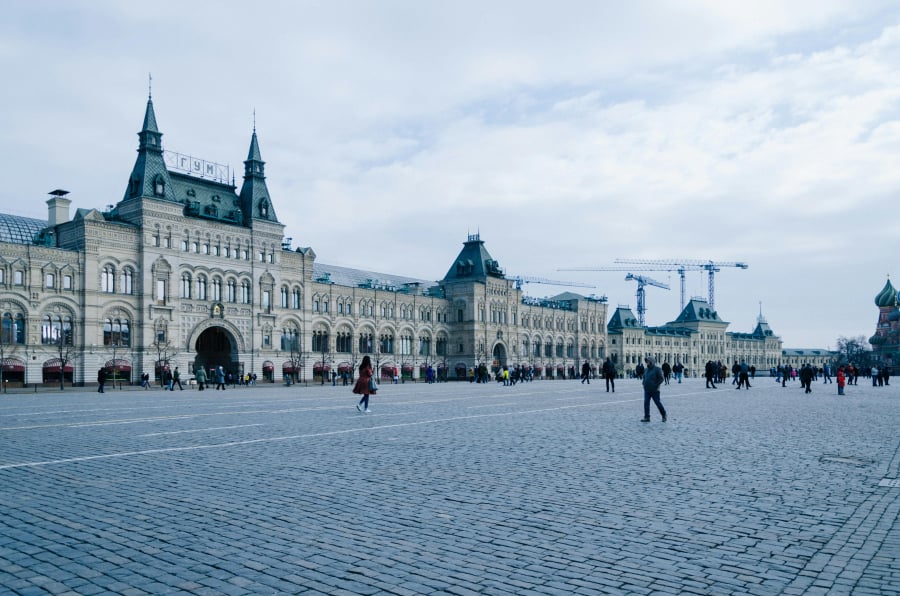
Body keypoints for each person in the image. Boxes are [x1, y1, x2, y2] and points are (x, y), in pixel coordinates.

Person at [640, 357, 667, 423]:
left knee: (657, 403)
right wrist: (643, 383)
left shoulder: (657, 369)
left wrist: (656, 385)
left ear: (652, 362)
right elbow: (644, 377)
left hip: (655, 390)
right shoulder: (646, 370)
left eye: (648, 361)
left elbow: (661, 378)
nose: (647, 363)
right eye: (646, 361)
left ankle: (664, 414)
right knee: (646, 403)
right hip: (647, 389)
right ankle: (647, 417)